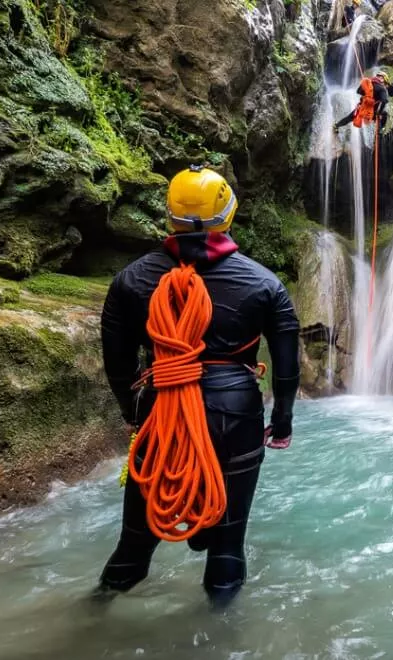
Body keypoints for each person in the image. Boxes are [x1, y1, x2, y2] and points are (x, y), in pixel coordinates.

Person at [95, 165, 300, 608]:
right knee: (227, 551)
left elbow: (118, 364)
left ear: (169, 216)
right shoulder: (265, 284)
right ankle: (220, 636)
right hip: (235, 413)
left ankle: (89, 620)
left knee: (134, 545)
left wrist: (136, 413)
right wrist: (281, 422)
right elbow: (286, 368)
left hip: (161, 409)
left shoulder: (131, 280)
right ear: (228, 213)